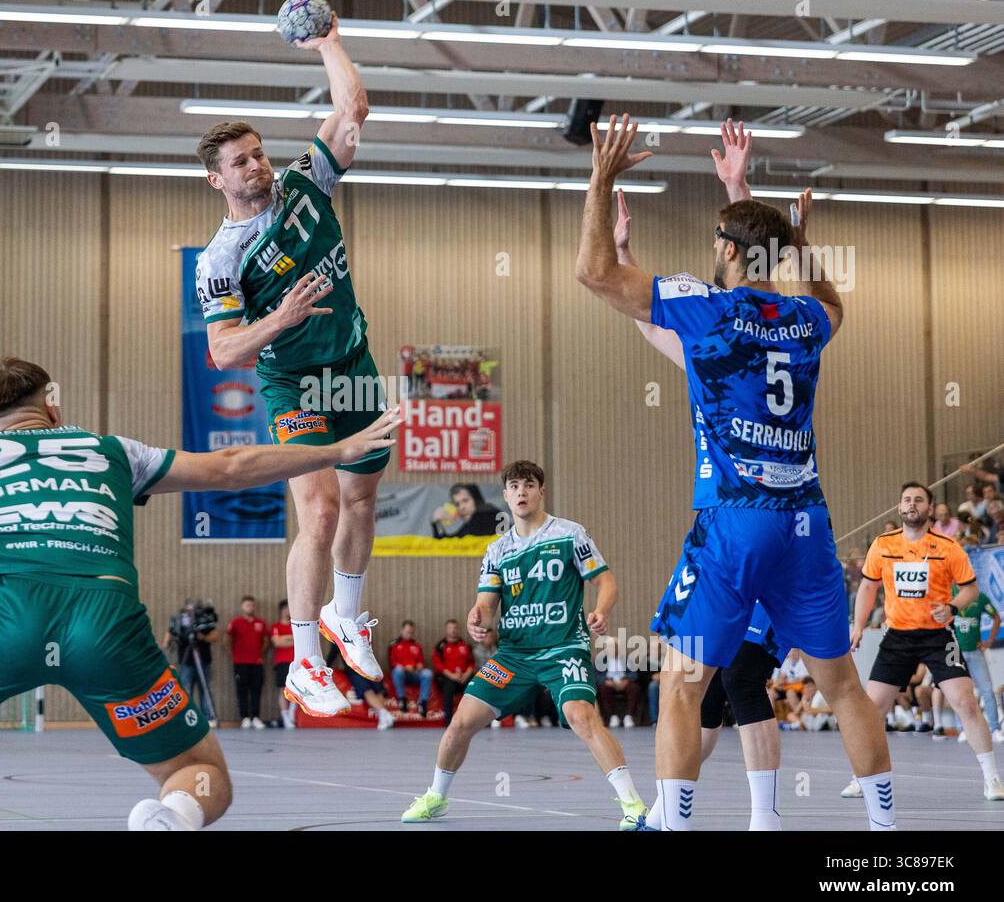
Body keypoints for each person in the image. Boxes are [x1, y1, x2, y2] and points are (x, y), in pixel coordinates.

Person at [0, 356, 400, 831]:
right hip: (106, 622)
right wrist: (334, 450)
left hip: (9, 617)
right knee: (199, 772)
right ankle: (171, 818)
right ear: (53, 412)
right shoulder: (108, 450)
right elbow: (230, 467)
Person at [575, 113, 892, 830]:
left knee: (683, 683)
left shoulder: (709, 310)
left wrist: (601, 178)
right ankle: (885, 838)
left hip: (736, 520)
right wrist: (777, 222)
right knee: (841, 685)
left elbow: (595, 274)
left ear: (726, 248)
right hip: (806, 521)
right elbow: (829, 300)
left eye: (720, 238)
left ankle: (677, 824)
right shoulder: (805, 319)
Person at [194, 13, 386, 717]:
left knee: (364, 501)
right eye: (239, 161)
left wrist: (327, 42)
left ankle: (346, 614)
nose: (256, 164)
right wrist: (281, 319)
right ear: (217, 180)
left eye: (257, 152)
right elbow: (222, 350)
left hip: (354, 361)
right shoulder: (222, 259)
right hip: (293, 380)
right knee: (321, 509)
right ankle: (306, 662)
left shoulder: (307, 184)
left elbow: (352, 110)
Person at [401, 460, 649, 829]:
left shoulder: (570, 534)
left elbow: (606, 581)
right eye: (514, 486)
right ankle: (436, 797)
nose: (521, 491)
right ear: (505, 496)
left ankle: (634, 805)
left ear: (540, 492)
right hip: (514, 655)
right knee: (461, 723)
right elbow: (486, 604)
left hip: (563, 647)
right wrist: (478, 619)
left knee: (581, 716)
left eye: (528, 485)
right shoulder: (497, 550)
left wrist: (600, 609)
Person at [842, 481, 1003, 801]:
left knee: (966, 703)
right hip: (897, 635)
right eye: (906, 500)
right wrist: (858, 625)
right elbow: (868, 589)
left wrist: (953, 607)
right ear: (900, 508)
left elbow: (970, 589)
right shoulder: (883, 545)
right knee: (872, 709)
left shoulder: (947, 547)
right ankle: (862, 777)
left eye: (918, 500)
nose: (912, 504)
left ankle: (993, 779)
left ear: (930, 509)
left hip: (937, 636)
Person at [953, 587, 1003, 742]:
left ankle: (995, 729)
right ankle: (962, 729)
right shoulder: (949, 595)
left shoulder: (980, 597)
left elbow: (996, 617)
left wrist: (990, 641)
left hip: (975, 650)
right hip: (954, 650)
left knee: (987, 690)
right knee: (956, 692)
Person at [163, 599, 219, 728]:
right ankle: (187, 718)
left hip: (203, 660)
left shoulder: (204, 620)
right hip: (186, 661)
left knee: (205, 689)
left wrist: (202, 637)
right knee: (185, 690)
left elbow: (215, 635)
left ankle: (209, 717)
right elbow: (170, 631)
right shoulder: (180, 620)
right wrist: (166, 645)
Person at [226, 595, 267, 729]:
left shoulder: (260, 622)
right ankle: (244, 718)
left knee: (256, 690)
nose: (250, 607)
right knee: (241, 690)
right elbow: (227, 638)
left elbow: (265, 640)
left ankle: (255, 717)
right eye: (247, 605)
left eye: (252, 605)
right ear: (242, 607)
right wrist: (233, 653)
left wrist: (261, 653)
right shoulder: (236, 622)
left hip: (257, 662)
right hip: (240, 663)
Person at [432, 619, 476, 727]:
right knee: (449, 687)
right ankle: (448, 721)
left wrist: (466, 674)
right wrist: (452, 676)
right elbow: (438, 665)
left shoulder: (465, 645)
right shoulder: (440, 646)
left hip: (464, 676)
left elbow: (471, 663)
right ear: (446, 630)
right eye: (450, 628)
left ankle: (470, 718)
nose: (453, 630)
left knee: (474, 685)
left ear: (458, 630)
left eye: (455, 628)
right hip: (447, 677)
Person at [388, 621, 433, 716]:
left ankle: (423, 702)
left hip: (415, 673)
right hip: (402, 674)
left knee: (427, 673)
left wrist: (420, 665)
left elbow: (421, 660)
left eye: (411, 632)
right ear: (402, 631)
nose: (409, 634)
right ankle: (402, 699)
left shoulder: (416, 645)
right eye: (407, 632)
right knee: (398, 670)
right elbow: (392, 662)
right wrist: (405, 667)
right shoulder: (394, 645)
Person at [430, 483, 501, 539]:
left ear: (476, 500)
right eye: (457, 504)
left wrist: (436, 524)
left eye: (465, 500)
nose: (461, 507)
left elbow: (453, 543)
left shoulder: (487, 515)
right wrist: (437, 523)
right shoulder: (474, 522)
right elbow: (455, 540)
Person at [269, 600, 296, 728]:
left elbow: (298, 641)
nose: (288, 611)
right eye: (286, 608)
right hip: (282, 661)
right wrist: (290, 638)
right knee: (283, 689)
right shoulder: (276, 626)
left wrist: (285, 638)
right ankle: (285, 716)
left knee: (297, 688)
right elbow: (277, 642)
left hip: (296, 661)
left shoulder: (295, 625)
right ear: (281, 610)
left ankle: (292, 712)